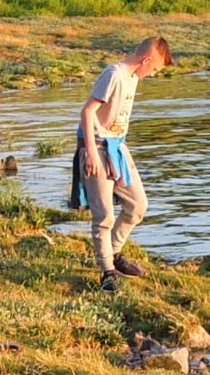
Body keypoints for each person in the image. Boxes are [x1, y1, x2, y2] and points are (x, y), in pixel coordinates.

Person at [70, 36, 170, 292]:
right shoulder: (113, 75)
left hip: (117, 147)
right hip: (96, 147)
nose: (152, 74)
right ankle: (107, 272)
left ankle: (114, 252)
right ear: (146, 60)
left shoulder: (133, 77)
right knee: (103, 215)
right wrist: (90, 154)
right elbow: (87, 112)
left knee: (137, 205)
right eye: (154, 69)